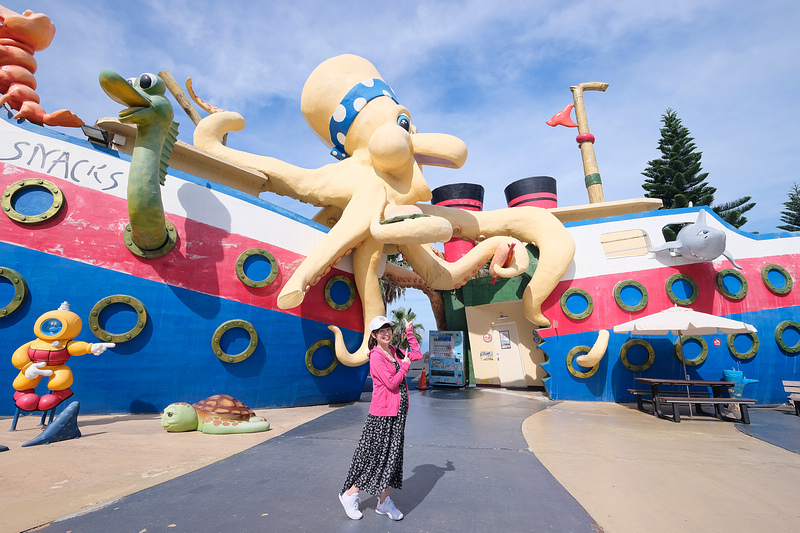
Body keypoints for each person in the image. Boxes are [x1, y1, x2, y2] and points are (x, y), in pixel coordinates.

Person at [338, 315, 423, 521]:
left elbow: (417, 355)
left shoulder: (394, 351)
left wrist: (409, 333)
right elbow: (392, 383)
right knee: (375, 458)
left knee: (391, 460)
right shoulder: (376, 356)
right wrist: (404, 366)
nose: (386, 333)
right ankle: (350, 495)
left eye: (388, 329)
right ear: (374, 335)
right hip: (382, 416)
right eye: (381, 331)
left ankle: (384, 502)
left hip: (398, 415)